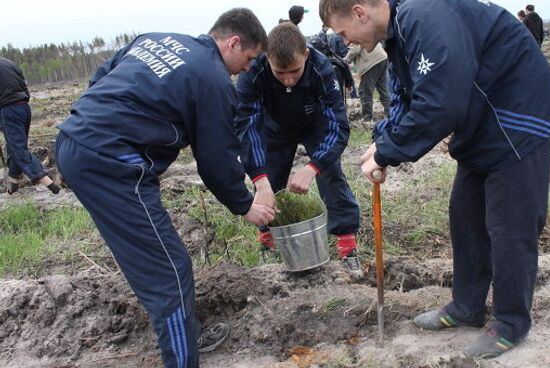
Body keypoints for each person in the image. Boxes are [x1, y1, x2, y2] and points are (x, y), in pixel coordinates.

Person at [320, 0, 550, 359]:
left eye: (344, 33)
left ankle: (511, 322)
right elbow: (409, 96)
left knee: (509, 225)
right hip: (482, 126)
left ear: (360, 12)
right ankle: (467, 306)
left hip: (516, 117)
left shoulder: (423, 15)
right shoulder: (398, 35)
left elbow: (442, 103)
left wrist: (389, 150)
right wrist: (382, 140)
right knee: (464, 214)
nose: (346, 43)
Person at [55, 8, 274, 368]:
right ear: (233, 42)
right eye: (249, 59)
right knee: (169, 273)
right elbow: (217, 161)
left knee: (156, 261)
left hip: (75, 141)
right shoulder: (213, 79)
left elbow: (101, 78)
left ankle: (185, 334)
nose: (247, 69)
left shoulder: (154, 39)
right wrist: (245, 205)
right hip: (112, 163)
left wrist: (89, 126)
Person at [235, 22, 362, 277]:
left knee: (332, 177)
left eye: (294, 71)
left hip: (313, 123)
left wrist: (313, 167)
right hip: (274, 127)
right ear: (267, 58)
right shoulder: (253, 72)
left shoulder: (321, 68)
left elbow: (337, 125)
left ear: (305, 55)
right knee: (269, 180)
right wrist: (259, 178)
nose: (288, 79)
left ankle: (347, 245)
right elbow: (247, 125)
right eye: (280, 73)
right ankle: (267, 241)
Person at [0, 57, 60, 195]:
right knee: (14, 145)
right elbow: (24, 86)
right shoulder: (8, 62)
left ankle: (48, 182)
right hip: (23, 107)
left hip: (7, 109)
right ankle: (13, 181)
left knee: (17, 148)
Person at [345, 43, 389, 121]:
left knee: (365, 91)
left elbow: (355, 50)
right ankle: (390, 114)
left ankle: (367, 118)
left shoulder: (353, 32)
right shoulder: (362, 30)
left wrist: (345, 60)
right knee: (383, 89)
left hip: (371, 61)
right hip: (381, 57)